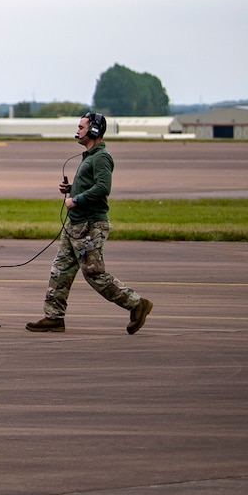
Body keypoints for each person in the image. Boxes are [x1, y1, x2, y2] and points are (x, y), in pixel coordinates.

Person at [27, 111, 154, 334]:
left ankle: (137, 303)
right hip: (75, 226)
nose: (77, 131)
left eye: (81, 127)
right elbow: (90, 185)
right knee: (60, 270)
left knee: (94, 274)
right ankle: (54, 317)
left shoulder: (101, 158)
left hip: (89, 226)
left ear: (94, 130)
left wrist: (76, 199)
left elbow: (103, 188)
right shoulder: (89, 157)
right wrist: (71, 189)